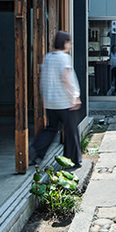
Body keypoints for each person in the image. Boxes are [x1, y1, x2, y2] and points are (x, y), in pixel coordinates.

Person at [28, 30, 82, 169]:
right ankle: (71, 159)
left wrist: (44, 97)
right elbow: (66, 78)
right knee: (71, 131)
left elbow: (42, 78)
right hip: (65, 102)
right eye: (69, 43)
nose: (70, 45)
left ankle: (35, 150)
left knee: (51, 129)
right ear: (65, 43)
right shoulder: (64, 58)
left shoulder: (48, 57)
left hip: (50, 102)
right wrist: (75, 96)